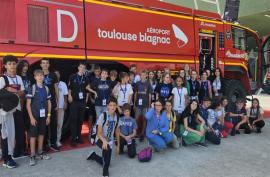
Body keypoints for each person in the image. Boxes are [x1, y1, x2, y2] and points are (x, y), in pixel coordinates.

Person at [86, 97, 120, 177]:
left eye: (114, 105)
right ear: (107, 106)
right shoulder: (103, 115)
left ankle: (93, 155)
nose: (112, 107)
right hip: (99, 138)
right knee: (106, 150)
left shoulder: (117, 117)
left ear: (116, 106)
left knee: (107, 161)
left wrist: (118, 145)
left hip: (109, 140)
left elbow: (117, 131)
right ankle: (105, 172)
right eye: (110, 105)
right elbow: (98, 133)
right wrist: (104, 141)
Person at [0, 55, 22, 168]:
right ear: (5, 65)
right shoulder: (2, 79)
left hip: (14, 110)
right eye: (9, 64)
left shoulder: (18, 78)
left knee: (12, 135)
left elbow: (22, 92)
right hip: (5, 112)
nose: (12, 66)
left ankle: (10, 156)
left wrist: (12, 90)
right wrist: (9, 91)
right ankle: (6, 160)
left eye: (13, 63)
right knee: (6, 135)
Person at [68, 62, 97, 147]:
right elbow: (69, 88)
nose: (82, 69)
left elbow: (87, 91)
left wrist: (86, 101)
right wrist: (69, 96)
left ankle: (79, 137)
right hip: (74, 101)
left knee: (80, 120)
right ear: (78, 68)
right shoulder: (72, 77)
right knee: (74, 120)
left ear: (85, 70)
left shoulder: (86, 78)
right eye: (81, 67)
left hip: (82, 102)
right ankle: (73, 139)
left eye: (84, 68)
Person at [26, 69, 52, 166]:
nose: (40, 77)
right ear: (35, 77)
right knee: (33, 135)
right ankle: (32, 155)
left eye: (42, 75)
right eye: (38, 75)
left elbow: (49, 103)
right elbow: (28, 105)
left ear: (43, 76)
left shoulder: (46, 88)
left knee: (41, 134)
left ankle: (40, 152)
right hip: (34, 116)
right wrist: (31, 118)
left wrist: (48, 116)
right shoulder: (31, 88)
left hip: (44, 116)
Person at [40, 58, 59, 151]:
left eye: (47, 63)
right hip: (42, 104)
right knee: (43, 124)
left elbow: (56, 88)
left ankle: (53, 143)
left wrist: (58, 101)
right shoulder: (38, 75)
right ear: (41, 65)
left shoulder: (53, 75)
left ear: (49, 65)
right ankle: (44, 145)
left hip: (52, 102)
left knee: (53, 124)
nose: (45, 64)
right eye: (43, 63)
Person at [90, 69, 112, 144]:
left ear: (107, 75)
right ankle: (94, 135)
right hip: (98, 104)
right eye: (103, 73)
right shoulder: (96, 81)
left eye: (106, 73)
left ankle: (101, 136)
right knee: (99, 119)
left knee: (105, 120)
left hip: (106, 105)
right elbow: (87, 87)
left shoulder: (109, 83)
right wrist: (94, 92)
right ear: (101, 74)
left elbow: (111, 92)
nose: (104, 74)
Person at [17, 60, 31, 155]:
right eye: (24, 66)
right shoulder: (17, 77)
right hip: (21, 104)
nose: (25, 68)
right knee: (21, 128)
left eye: (26, 66)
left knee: (28, 126)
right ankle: (21, 148)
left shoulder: (29, 77)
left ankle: (28, 146)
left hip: (29, 104)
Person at [134, 70, 151, 141]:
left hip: (145, 104)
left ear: (146, 75)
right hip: (138, 104)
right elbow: (135, 94)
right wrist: (134, 104)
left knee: (144, 119)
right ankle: (135, 132)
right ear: (140, 75)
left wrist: (149, 106)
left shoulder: (148, 84)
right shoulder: (137, 83)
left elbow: (150, 95)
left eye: (144, 75)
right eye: (141, 75)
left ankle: (142, 134)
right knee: (136, 119)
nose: (142, 76)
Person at [54, 70, 68, 147]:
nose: (56, 75)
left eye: (58, 74)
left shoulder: (63, 84)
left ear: (59, 75)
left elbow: (65, 95)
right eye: (55, 74)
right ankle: (51, 141)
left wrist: (65, 103)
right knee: (52, 125)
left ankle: (57, 140)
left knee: (60, 124)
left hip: (61, 107)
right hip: (53, 107)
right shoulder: (51, 84)